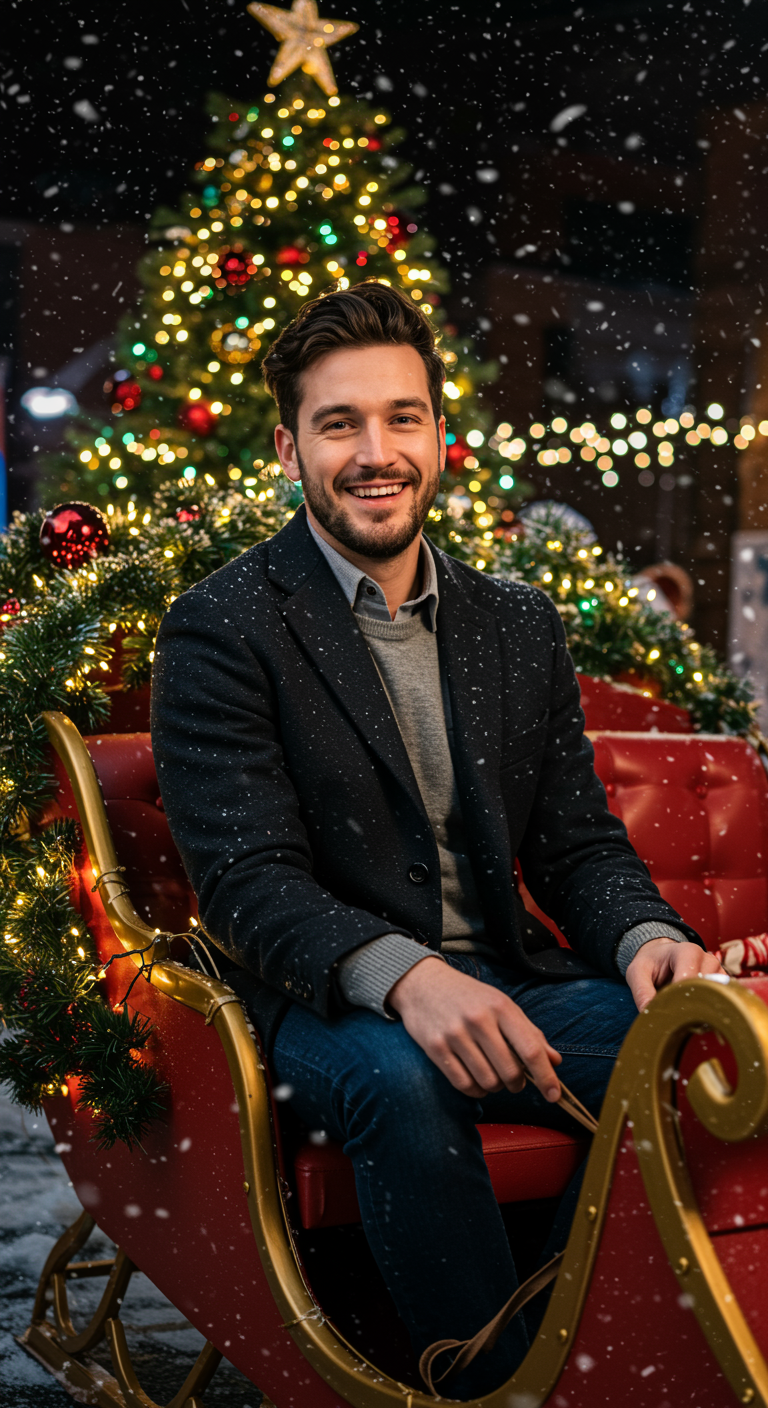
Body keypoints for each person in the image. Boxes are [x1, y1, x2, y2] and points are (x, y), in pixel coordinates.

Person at [151, 282, 722, 1398]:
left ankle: (567, 1344)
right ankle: (484, 1383)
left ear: (440, 435)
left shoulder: (517, 622)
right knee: (405, 1080)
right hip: (321, 1002)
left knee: (698, 1044)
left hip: (512, 976)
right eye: (340, 423)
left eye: (402, 417)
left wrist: (647, 936)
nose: (377, 453)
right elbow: (248, 881)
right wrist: (408, 977)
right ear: (289, 448)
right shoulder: (221, 626)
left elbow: (577, 846)